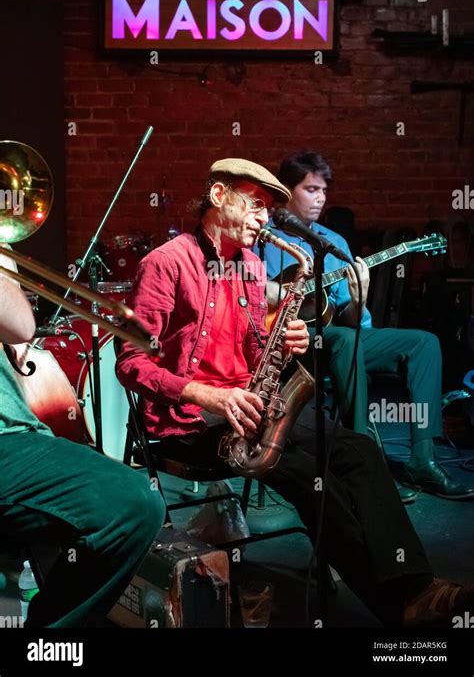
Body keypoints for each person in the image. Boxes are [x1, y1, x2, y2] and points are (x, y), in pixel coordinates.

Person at [116, 157, 474, 627]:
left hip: (252, 406)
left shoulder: (248, 266)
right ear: (219, 196)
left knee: (358, 450)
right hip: (191, 420)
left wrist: (283, 342)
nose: (264, 218)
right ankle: (399, 604)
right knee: (305, 472)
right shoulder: (165, 263)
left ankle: (415, 582)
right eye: (256, 204)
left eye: (269, 209)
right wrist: (207, 395)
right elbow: (130, 363)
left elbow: (250, 349)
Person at [259, 150, 473, 502]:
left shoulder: (334, 243)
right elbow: (246, 292)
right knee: (345, 341)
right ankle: (363, 465)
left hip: (336, 338)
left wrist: (359, 299)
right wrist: (281, 292)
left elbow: (354, 324)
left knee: (423, 342)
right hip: (284, 341)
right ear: (287, 190)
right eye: (311, 189)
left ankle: (423, 460)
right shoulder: (263, 238)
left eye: (324, 190)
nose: (321, 198)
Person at [0, 245, 165, 627]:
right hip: (8, 443)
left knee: (135, 502)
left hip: (22, 432)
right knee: (133, 504)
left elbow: (20, 328)